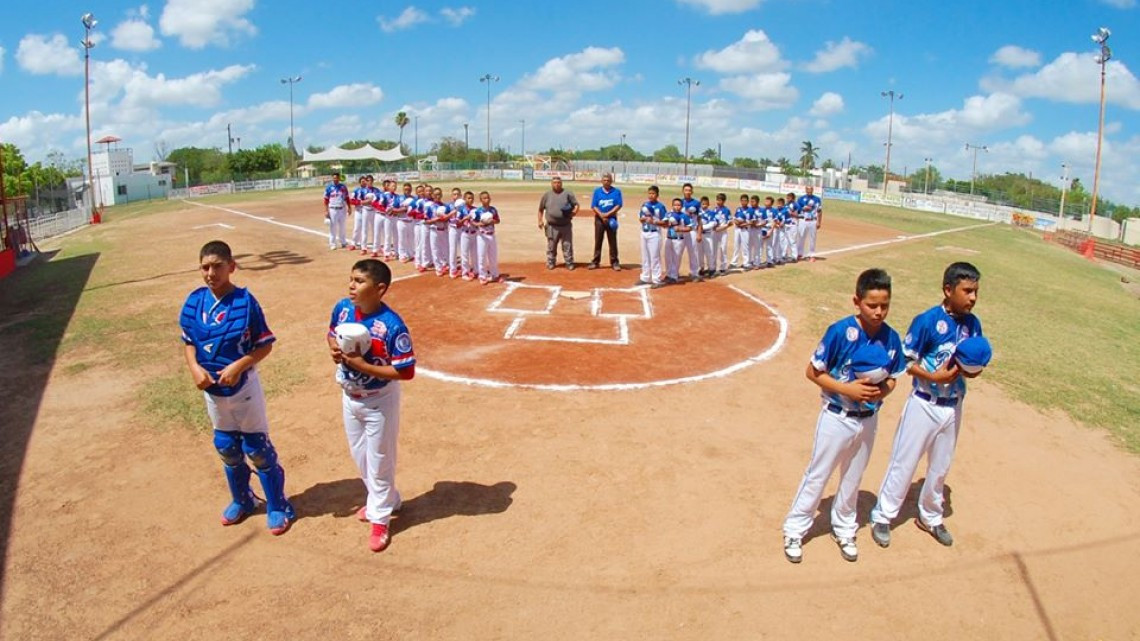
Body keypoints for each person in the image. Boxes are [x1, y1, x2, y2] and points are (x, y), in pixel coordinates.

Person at [783, 268, 906, 564]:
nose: (879, 312)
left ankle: (845, 527)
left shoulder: (891, 338)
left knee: (853, 476)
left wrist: (882, 392)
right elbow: (813, 372)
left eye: (884, 305)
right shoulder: (841, 331)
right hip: (836, 416)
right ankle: (795, 528)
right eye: (872, 305)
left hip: (868, 419)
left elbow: (893, 378)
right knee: (818, 473)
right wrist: (846, 389)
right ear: (857, 301)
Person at [180, 240, 295, 535]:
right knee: (226, 447)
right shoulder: (194, 302)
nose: (210, 273)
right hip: (213, 393)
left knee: (257, 449)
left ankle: (277, 504)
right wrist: (195, 368)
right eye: (205, 267)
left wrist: (239, 365)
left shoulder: (245, 302)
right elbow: (189, 343)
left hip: (244, 389)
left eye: (217, 266)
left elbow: (264, 346)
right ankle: (242, 499)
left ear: (231, 267)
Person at [869, 262, 986, 549]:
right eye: (967, 291)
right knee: (904, 461)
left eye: (976, 292)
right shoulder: (927, 321)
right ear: (948, 290)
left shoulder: (974, 324)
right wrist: (933, 376)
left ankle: (930, 515)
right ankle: (883, 515)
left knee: (941, 466)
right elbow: (907, 362)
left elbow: (972, 363)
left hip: (953, 405)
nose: (973, 297)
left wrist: (973, 370)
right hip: (924, 403)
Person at [327, 259, 416, 552]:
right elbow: (331, 334)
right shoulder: (342, 308)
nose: (352, 286)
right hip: (350, 396)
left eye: (359, 281)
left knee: (379, 459)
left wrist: (363, 366)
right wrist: (335, 350)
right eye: (351, 279)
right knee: (361, 456)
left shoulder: (391, 326)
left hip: (379, 401)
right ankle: (388, 498)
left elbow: (406, 371)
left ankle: (380, 519)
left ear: (379, 289)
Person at [537, 176, 579, 270]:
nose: (557, 184)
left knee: (567, 245)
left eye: (559, 183)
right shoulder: (547, 195)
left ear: (561, 183)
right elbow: (540, 209)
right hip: (552, 226)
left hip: (566, 225)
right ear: (551, 184)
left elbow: (576, 205)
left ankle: (569, 262)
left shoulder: (567, 193)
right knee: (551, 245)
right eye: (555, 183)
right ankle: (551, 262)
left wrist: (573, 213)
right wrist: (540, 221)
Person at [589, 173, 623, 271]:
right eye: (604, 180)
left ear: (611, 181)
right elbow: (594, 206)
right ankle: (595, 261)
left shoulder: (616, 192)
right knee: (598, 240)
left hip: (611, 219)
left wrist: (607, 214)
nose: (606, 182)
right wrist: (601, 215)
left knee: (612, 241)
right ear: (601, 181)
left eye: (608, 180)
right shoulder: (597, 191)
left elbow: (618, 205)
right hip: (599, 219)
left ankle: (614, 262)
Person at [665, 197, 701, 283]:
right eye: (675, 205)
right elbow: (664, 224)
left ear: (681, 206)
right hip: (669, 238)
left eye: (679, 205)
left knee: (677, 257)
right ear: (672, 205)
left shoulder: (684, 216)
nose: (677, 207)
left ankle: (674, 275)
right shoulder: (669, 214)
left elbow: (690, 227)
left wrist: (680, 229)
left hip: (678, 238)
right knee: (668, 257)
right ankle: (669, 273)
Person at [637, 185, 668, 289]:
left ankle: (656, 279)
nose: (651, 195)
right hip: (644, 232)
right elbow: (640, 217)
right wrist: (642, 219)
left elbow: (665, 223)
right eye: (649, 193)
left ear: (657, 195)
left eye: (653, 193)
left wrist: (654, 221)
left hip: (654, 234)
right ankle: (645, 277)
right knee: (645, 256)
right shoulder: (644, 205)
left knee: (654, 257)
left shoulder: (660, 207)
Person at [474, 190, 502, 284]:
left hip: (491, 234)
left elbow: (498, 220)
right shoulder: (478, 211)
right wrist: (481, 223)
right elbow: (473, 222)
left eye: (488, 197)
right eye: (484, 198)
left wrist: (492, 221)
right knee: (482, 256)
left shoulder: (493, 209)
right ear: (481, 200)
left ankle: (495, 275)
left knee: (493, 256)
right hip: (482, 235)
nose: (487, 199)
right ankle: (482, 276)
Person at [324, 172, 350, 250]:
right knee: (333, 227)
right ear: (332, 178)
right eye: (334, 178)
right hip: (333, 209)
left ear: (339, 178)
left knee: (342, 226)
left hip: (342, 209)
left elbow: (347, 198)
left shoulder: (343, 187)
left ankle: (343, 242)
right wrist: (326, 210)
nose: (335, 179)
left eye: (336, 178)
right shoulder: (329, 188)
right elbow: (326, 199)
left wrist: (349, 207)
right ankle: (333, 243)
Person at [797, 185, 823, 262]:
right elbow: (797, 210)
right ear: (805, 190)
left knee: (812, 238)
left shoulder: (817, 199)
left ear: (813, 190)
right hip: (803, 220)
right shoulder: (801, 199)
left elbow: (819, 211)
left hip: (813, 220)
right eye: (808, 189)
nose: (809, 191)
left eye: (811, 189)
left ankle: (812, 255)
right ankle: (799, 254)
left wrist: (819, 222)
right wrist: (803, 208)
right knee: (801, 237)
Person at [711, 193, 732, 276]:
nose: (718, 202)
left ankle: (723, 268)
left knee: (723, 249)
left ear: (724, 201)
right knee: (713, 250)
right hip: (715, 231)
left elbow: (730, 222)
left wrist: (723, 227)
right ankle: (712, 267)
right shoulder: (714, 209)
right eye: (717, 200)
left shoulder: (726, 210)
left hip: (723, 232)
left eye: (720, 200)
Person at [696, 196, 716, 277]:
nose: (704, 205)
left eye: (706, 204)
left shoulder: (711, 213)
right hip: (699, 234)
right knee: (699, 253)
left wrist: (701, 227)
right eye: (702, 204)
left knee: (709, 252)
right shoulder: (698, 213)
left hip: (707, 235)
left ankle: (711, 269)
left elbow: (712, 224)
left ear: (708, 204)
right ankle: (701, 268)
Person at [731, 194, 751, 270]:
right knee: (736, 246)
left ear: (748, 201)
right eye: (742, 200)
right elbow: (734, 218)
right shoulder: (738, 209)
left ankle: (746, 263)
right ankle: (734, 262)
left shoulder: (750, 210)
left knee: (745, 246)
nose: (743, 202)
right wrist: (736, 222)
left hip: (745, 230)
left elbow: (752, 222)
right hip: (737, 229)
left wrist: (743, 224)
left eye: (745, 200)